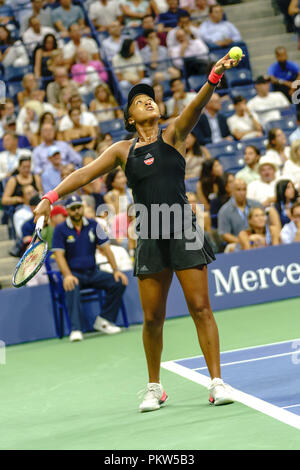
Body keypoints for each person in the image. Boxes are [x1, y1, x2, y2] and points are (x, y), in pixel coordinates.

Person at [34, 52, 241, 411]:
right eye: (139, 101)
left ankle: (217, 381)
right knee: (151, 318)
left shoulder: (174, 133)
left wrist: (213, 76)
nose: (148, 100)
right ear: (130, 117)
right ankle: (154, 387)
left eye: (151, 98)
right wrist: (50, 197)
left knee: (200, 308)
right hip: (149, 234)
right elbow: (85, 174)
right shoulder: (120, 150)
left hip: (182, 228)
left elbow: (196, 106)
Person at [51, 195, 128, 341]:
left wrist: (116, 270)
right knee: (71, 285)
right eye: (73, 209)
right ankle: (76, 329)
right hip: (74, 274)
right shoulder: (60, 230)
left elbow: (106, 249)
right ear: (68, 211)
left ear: (82, 208)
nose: (77, 211)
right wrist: (67, 275)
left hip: (93, 272)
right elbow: (59, 256)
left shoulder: (94, 225)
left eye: (79, 207)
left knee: (118, 282)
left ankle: (104, 320)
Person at [217, 178, 263, 250]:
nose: (242, 193)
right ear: (232, 191)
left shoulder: (256, 205)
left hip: (258, 240)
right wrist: (243, 241)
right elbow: (224, 234)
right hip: (236, 243)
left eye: (244, 189)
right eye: (238, 190)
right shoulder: (224, 211)